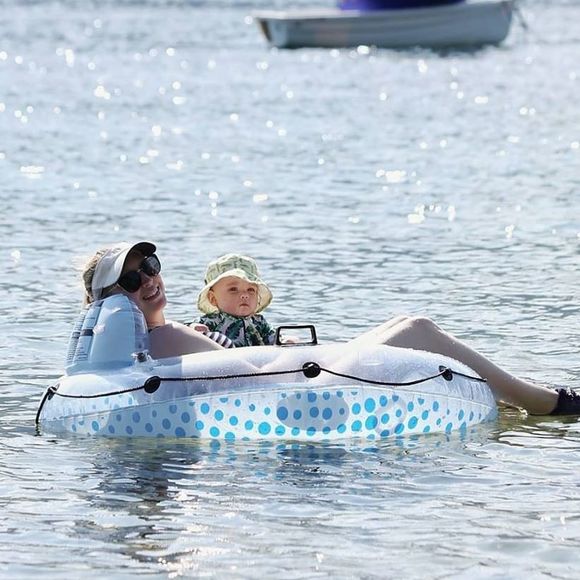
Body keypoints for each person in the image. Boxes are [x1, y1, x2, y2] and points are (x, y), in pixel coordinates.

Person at [81, 241, 580, 415]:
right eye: (133, 278)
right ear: (112, 298)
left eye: (151, 266)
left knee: (406, 323)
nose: (149, 279)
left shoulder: (168, 333)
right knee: (418, 327)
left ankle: (514, 398)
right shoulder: (159, 339)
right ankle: (541, 403)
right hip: (299, 388)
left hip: (299, 372)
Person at [81, 241, 230, 358]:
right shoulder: (167, 337)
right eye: (131, 280)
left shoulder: (110, 351)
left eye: (148, 266)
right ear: (107, 300)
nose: (148, 280)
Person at [194, 253, 277, 347]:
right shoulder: (211, 321)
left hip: (255, 355)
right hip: (223, 353)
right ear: (212, 298)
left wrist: (284, 340)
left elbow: (273, 337)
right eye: (233, 289)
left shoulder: (259, 322)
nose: (245, 295)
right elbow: (187, 330)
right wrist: (195, 328)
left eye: (251, 290)